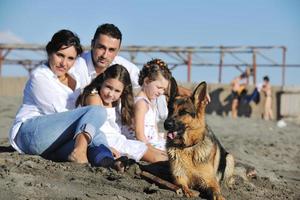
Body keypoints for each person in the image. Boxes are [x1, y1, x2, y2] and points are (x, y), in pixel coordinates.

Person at [8, 29, 110, 166]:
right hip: (31, 135)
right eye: (60, 55)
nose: (64, 63)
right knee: (97, 111)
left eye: (70, 58)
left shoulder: (76, 77)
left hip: (54, 141)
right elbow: (61, 113)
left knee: (96, 137)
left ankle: (109, 162)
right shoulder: (40, 77)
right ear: (50, 52)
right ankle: (79, 151)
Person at [74, 23, 191, 121]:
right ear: (92, 44)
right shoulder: (78, 66)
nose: (105, 55)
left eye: (111, 50)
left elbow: (146, 80)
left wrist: (187, 92)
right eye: (101, 47)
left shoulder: (120, 64)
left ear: (118, 50)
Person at [77, 64, 168, 163]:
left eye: (117, 91)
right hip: (106, 142)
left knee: (158, 152)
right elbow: (92, 127)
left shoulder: (116, 102)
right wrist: (107, 147)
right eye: (108, 87)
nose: (111, 94)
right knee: (155, 157)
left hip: (119, 140)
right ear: (102, 82)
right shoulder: (94, 98)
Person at [134, 59, 172, 151]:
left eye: (164, 89)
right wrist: (153, 150)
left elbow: (154, 130)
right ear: (146, 81)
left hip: (153, 142)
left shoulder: (151, 103)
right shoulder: (141, 103)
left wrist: (161, 138)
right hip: (145, 144)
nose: (161, 92)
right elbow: (139, 134)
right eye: (159, 87)